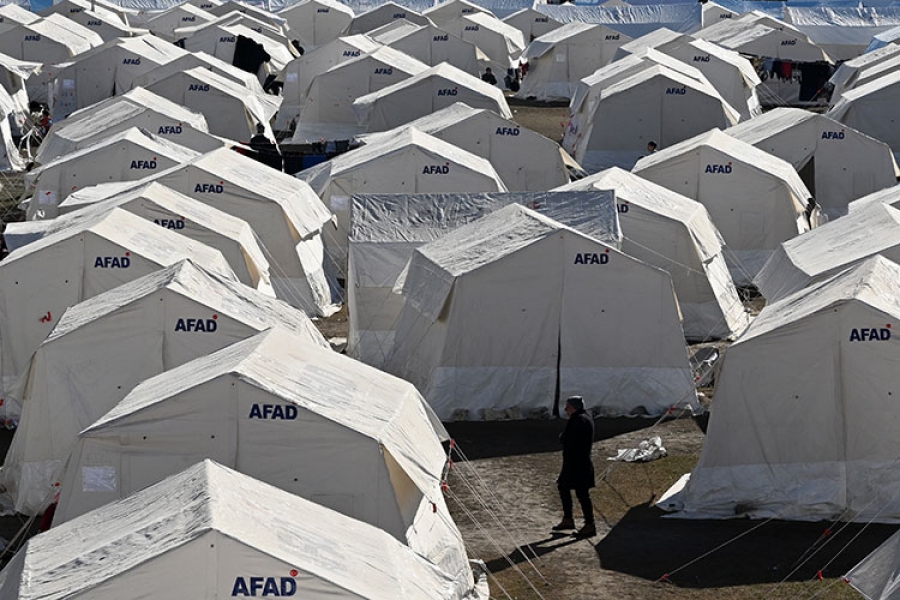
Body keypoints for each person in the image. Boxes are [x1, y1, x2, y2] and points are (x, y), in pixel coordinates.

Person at [553, 396, 596, 538]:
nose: (565, 409)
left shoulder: (578, 420)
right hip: (577, 462)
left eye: (568, 406)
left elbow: (567, 438)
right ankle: (568, 519)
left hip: (577, 463)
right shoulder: (585, 418)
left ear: (574, 407)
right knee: (564, 487)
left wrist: (563, 438)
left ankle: (589, 524)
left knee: (582, 494)